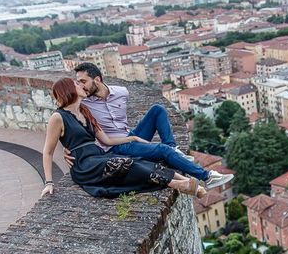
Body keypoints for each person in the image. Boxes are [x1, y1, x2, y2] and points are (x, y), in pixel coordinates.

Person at [71, 62, 232, 190]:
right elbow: (66, 121)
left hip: (130, 136)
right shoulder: (83, 103)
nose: (80, 86)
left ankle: (172, 149)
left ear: (97, 79)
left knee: (157, 110)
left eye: (83, 81)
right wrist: (68, 148)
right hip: (116, 147)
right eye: (78, 82)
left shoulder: (121, 92)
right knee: (162, 150)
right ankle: (207, 177)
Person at [41, 77, 207, 199]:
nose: (81, 85)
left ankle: (189, 183)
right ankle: (178, 184)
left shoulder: (85, 111)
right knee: (125, 164)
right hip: (85, 165)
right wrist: (49, 182)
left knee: (138, 160)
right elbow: (48, 152)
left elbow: (106, 140)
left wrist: (132, 139)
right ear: (67, 90)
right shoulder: (58, 117)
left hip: (99, 155)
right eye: (76, 84)